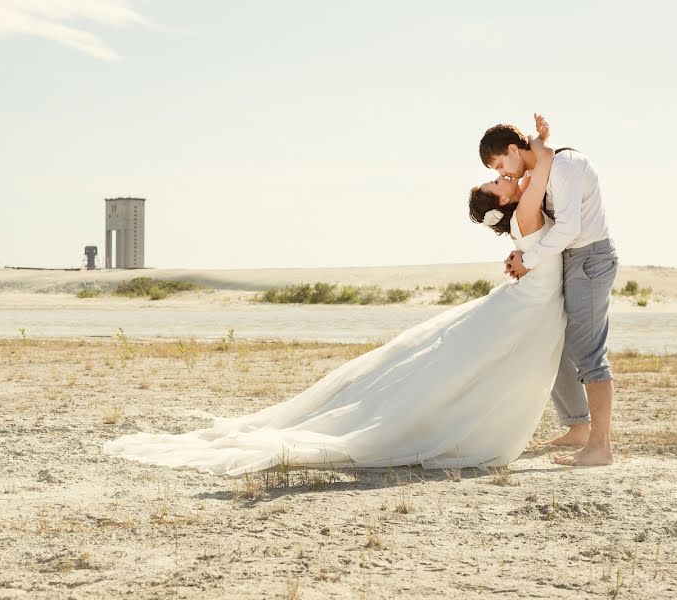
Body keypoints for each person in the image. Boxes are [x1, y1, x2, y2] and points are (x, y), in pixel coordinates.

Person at [103, 117, 563, 476]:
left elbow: (529, 176)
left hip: (528, 300)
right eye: (497, 182)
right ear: (502, 204)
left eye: (498, 175)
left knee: (471, 367)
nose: (505, 178)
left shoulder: (519, 206)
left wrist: (528, 147)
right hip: (527, 303)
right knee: (459, 368)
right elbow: (538, 168)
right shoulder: (523, 206)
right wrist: (538, 142)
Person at [478, 117, 618, 466]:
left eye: (499, 165)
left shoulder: (566, 165)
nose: (503, 174)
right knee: (560, 342)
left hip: (589, 257)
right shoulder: (539, 169)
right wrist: (540, 141)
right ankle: (578, 427)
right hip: (571, 259)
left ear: (512, 150)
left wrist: (529, 259)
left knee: (588, 353)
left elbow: (569, 227)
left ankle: (599, 447)